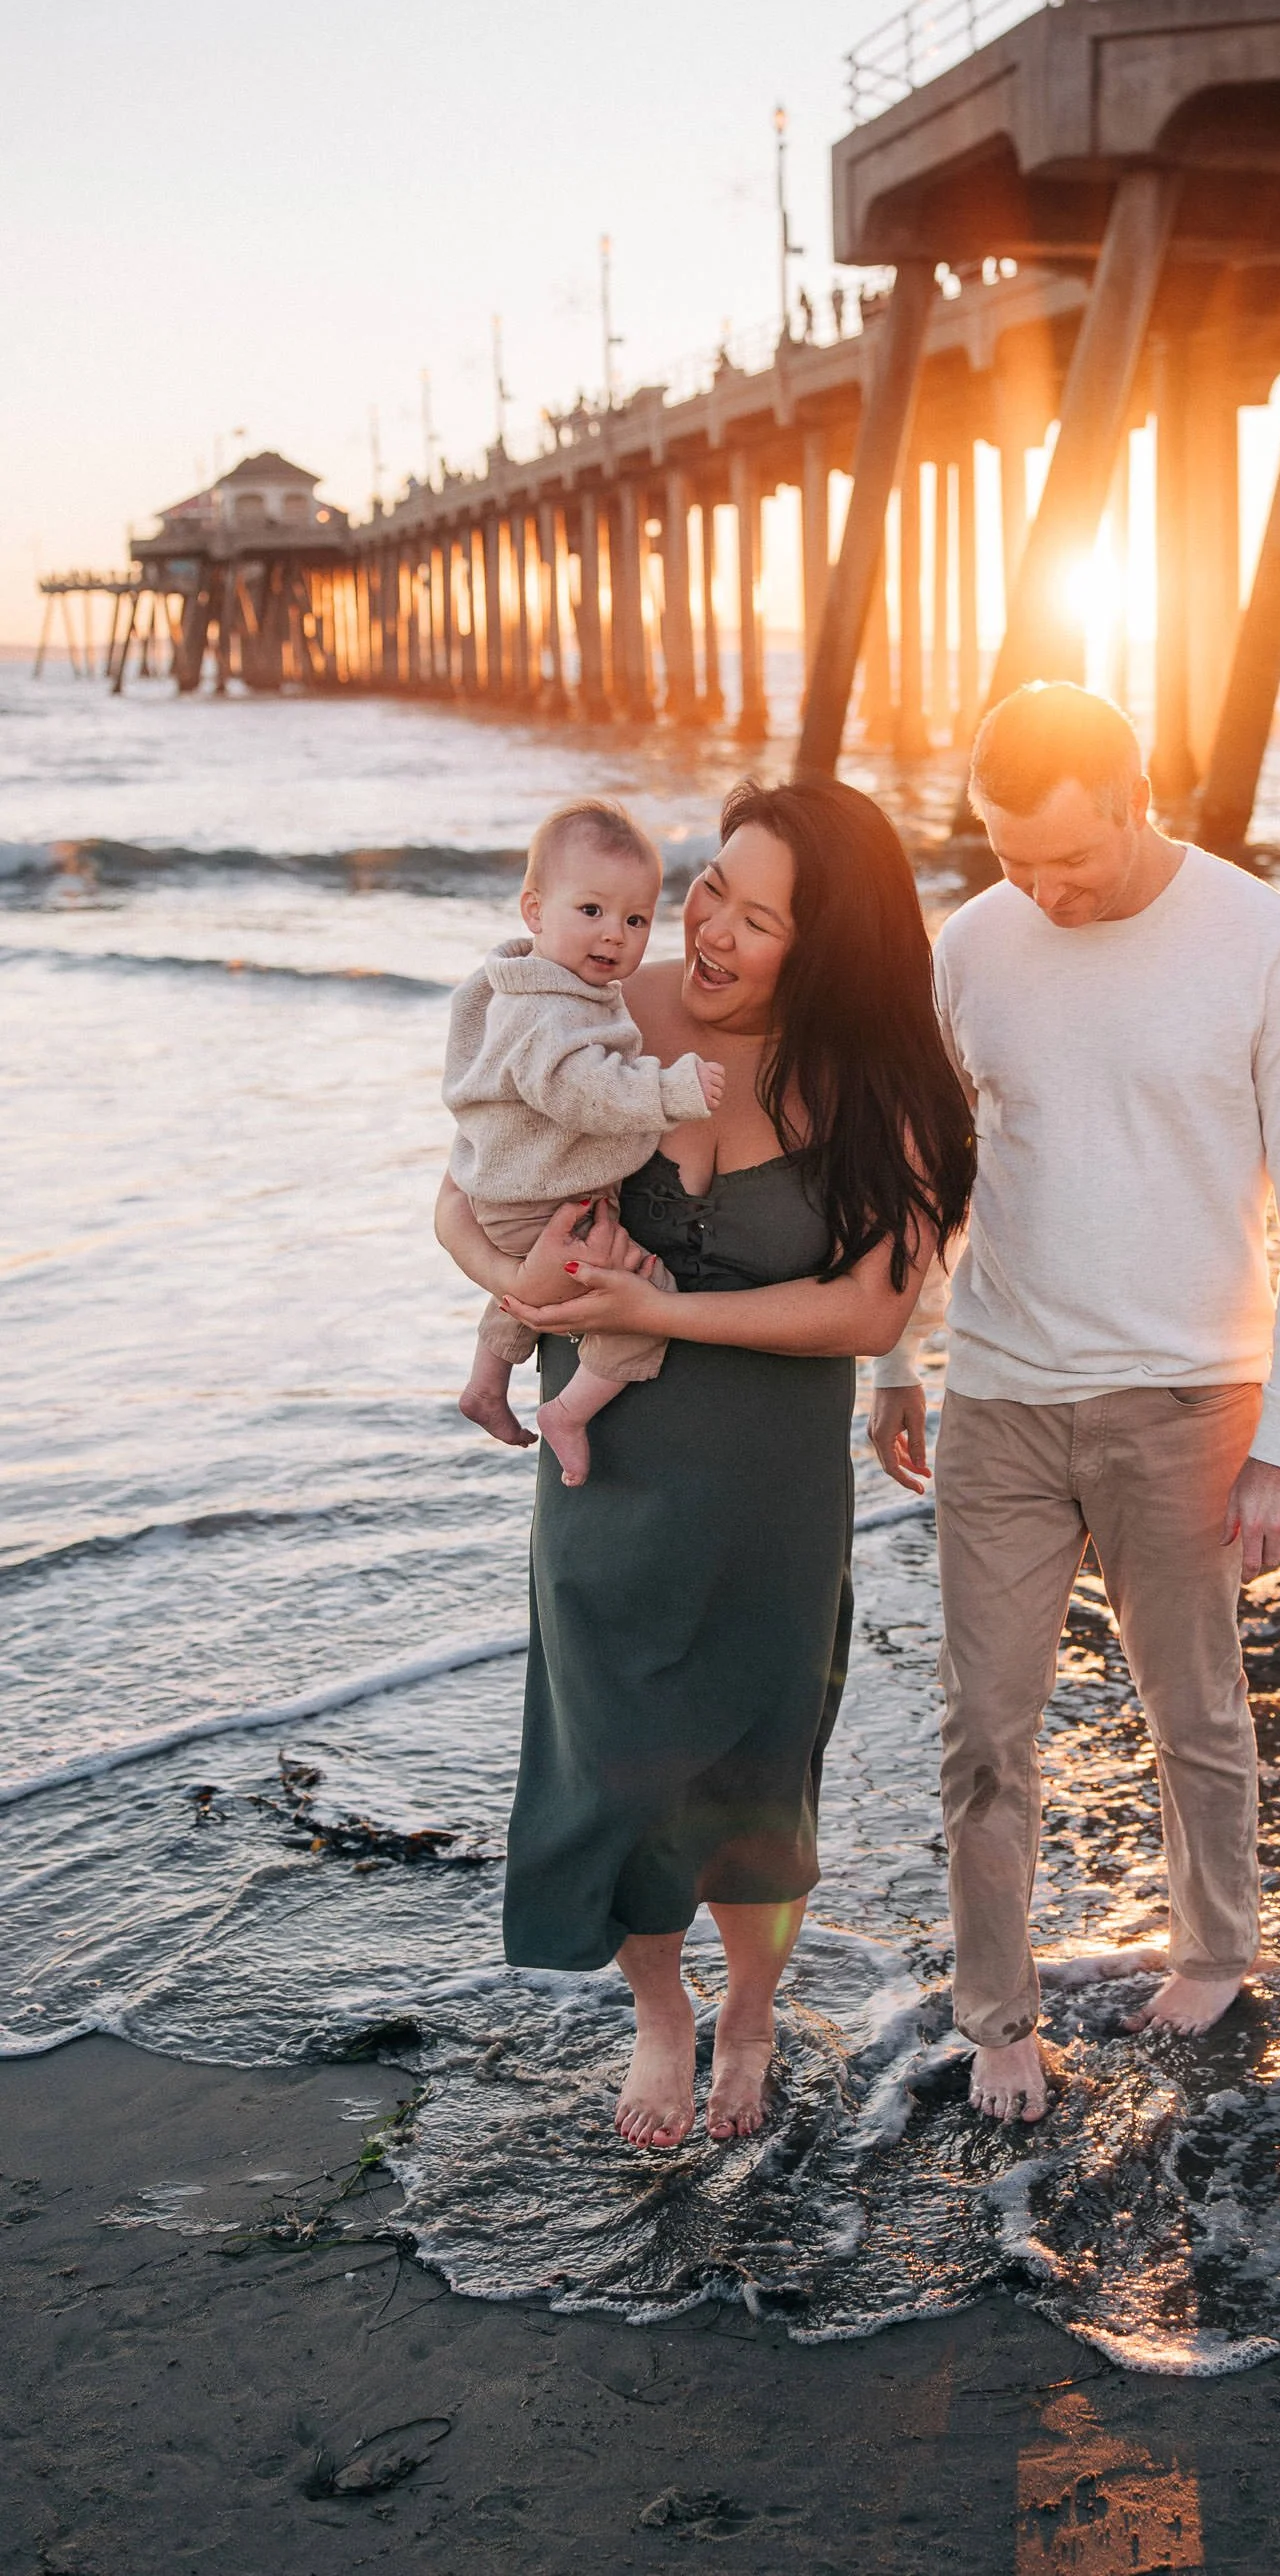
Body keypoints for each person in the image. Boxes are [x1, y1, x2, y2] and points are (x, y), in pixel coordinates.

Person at [436, 778, 976, 2152]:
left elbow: (868, 1310)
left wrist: (651, 1310)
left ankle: (751, 2004)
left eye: (761, 918)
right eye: (713, 892)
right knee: (615, 1762)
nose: (715, 933)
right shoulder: (605, 1008)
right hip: (607, 1475)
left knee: (755, 1774)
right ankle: (663, 2015)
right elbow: (465, 1185)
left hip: (769, 1491)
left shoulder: (886, 1086)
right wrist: (526, 1292)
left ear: (832, 949)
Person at [869, 683, 1280, 2124]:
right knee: (985, 1726)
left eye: (1067, 860)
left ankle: (1215, 1945)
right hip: (1007, 1393)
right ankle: (998, 2014)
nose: (1041, 888)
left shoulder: (1258, 938)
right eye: (1012, 859)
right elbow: (928, 1173)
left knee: (1193, 1706)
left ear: (1137, 802)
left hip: (1189, 1392)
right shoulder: (978, 943)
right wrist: (897, 1353)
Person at [445, 796, 724, 1487]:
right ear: (534, 911)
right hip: (540, 1199)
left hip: (512, 1195)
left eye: (635, 919)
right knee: (642, 1293)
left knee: (533, 1279)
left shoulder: (529, 987)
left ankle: (486, 1381)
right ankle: (568, 1413)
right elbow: (579, 1088)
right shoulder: (551, 1011)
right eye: (591, 911)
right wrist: (670, 1090)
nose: (614, 936)